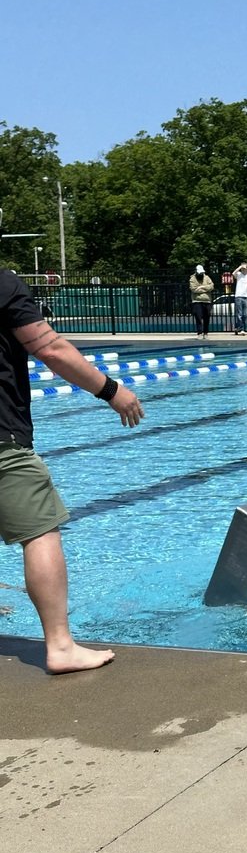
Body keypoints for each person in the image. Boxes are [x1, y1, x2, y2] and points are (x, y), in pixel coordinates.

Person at [0, 268, 144, 673]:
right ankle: (61, 645)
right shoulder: (3, 284)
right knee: (40, 531)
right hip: (2, 439)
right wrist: (111, 390)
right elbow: (51, 349)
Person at [189, 263, 214, 339]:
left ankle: (206, 333)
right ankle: (199, 333)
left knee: (207, 317)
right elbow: (193, 289)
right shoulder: (192, 278)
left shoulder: (207, 278)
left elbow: (211, 287)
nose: (201, 274)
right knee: (198, 317)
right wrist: (206, 289)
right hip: (197, 301)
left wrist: (202, 287)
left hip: (207, 301)